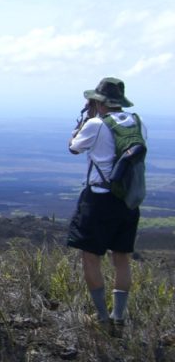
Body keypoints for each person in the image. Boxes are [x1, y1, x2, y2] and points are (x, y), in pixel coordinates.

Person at [67, 77, 146, 326]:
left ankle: (102, 317)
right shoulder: (138, 123)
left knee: (91, 257)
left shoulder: (95, 124)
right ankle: (118, 316)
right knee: (121, 258)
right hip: (127, 200)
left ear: (100, 101)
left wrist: (84, 122)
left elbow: (73, 147)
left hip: (98, 200)